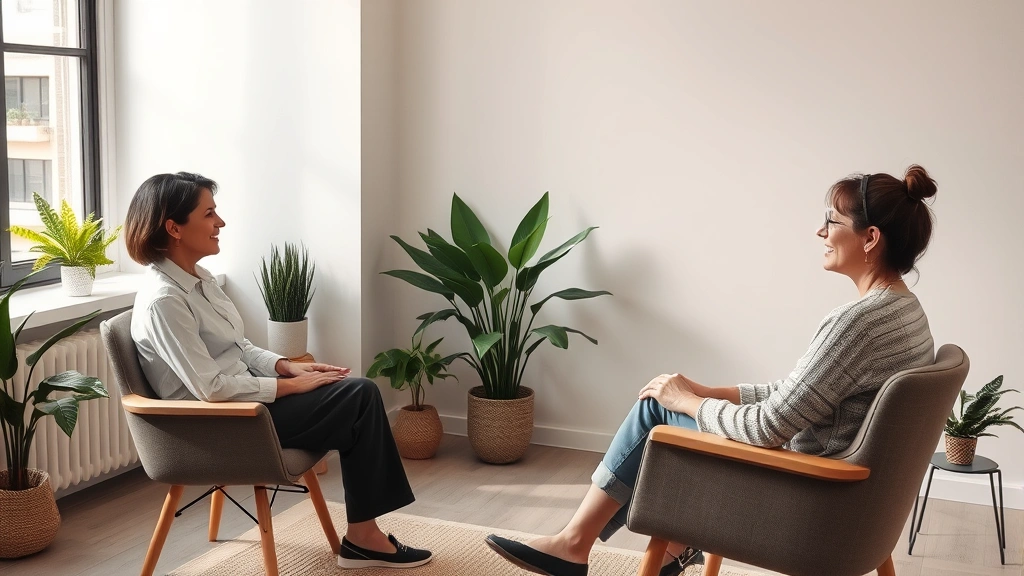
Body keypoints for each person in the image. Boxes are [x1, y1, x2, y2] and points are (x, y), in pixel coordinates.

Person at [486, 165, 939, 576]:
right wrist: (710, 392)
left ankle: (573, 545)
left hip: (806, 502)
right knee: (670, 403)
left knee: (654, 414)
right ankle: (672, 550)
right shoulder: (903, 314)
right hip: (852, 506)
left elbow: (770, 427)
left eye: (833, 222)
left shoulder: (856, 324)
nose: (819, 231)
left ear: (870, 238)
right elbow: (800, 394)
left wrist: (687, 402)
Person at [124, 172, 431, 570]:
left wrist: (287, 367)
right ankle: (364, 539)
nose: (221, 223)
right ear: (174, 227)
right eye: (210, 213)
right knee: (360, 397)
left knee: (354, 396)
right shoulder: (164, 301)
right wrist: (293, 386)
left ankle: (363, 536)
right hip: (216, 426)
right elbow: (212, 389)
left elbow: (241, 348)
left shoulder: (200, 280)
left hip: (246, 406)